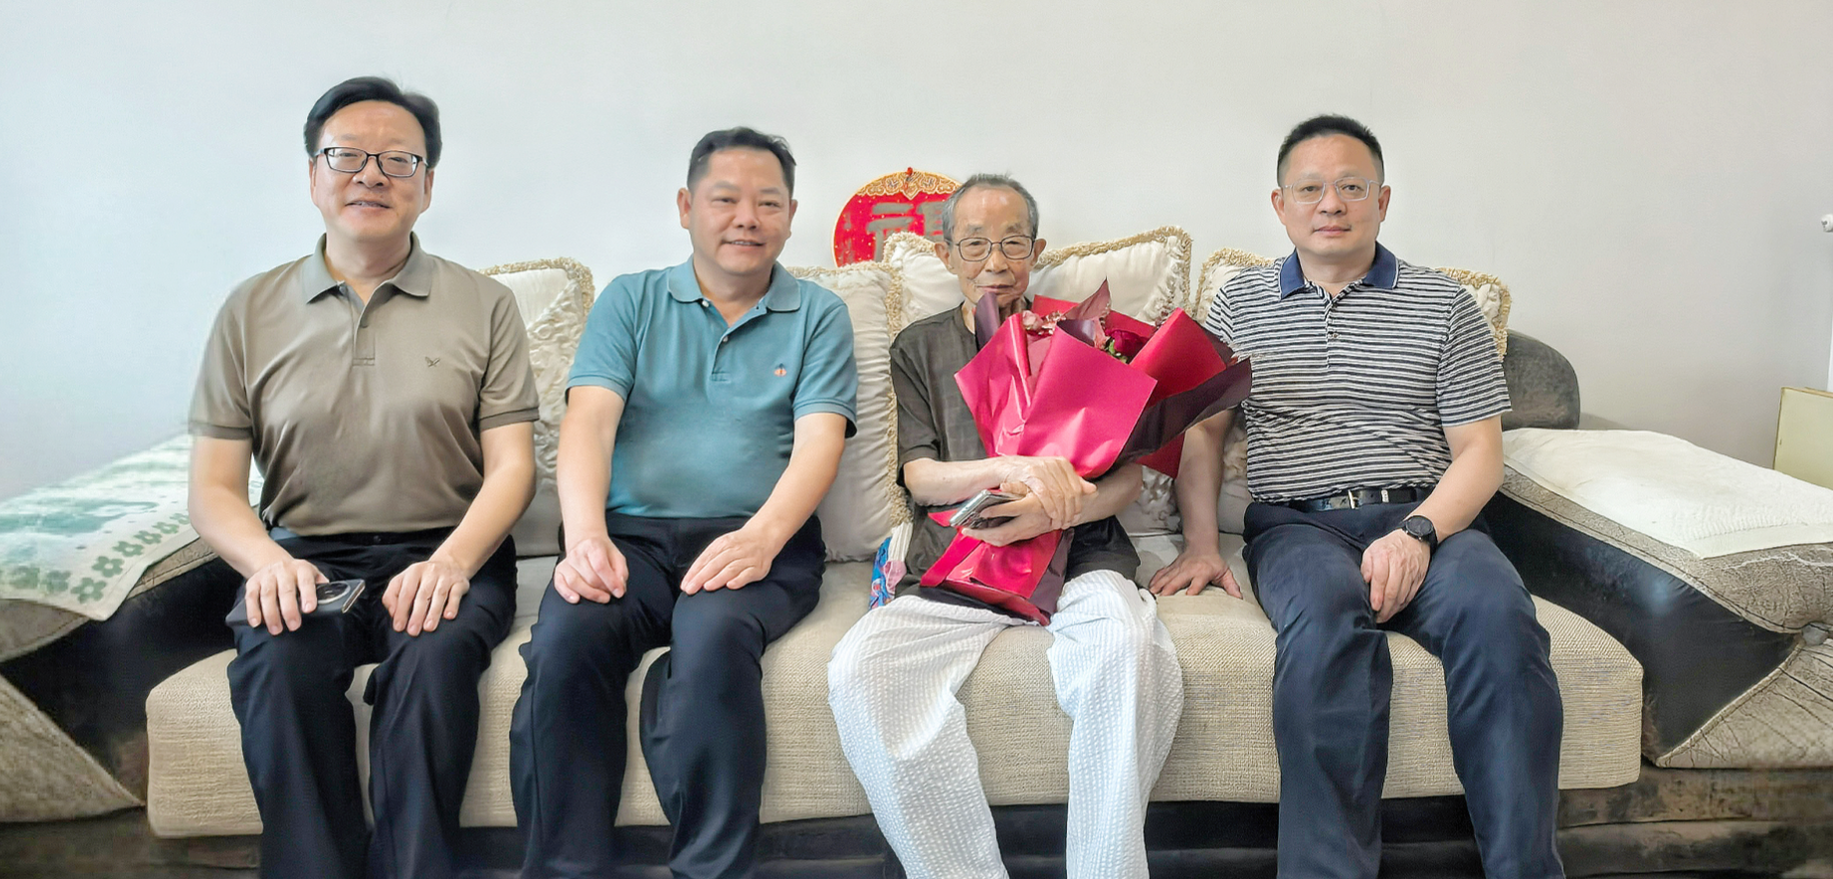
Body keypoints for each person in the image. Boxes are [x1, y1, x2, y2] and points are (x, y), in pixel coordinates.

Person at [1153, 115, 1564, 879]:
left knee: (1501, 621)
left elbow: (1480, 452)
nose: (1331, 203)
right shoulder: (1239, 306)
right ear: (1280, 205)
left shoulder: (1445, 305)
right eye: (1311, 188)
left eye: (1350, 186)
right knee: (1323, 635)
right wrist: (1203, 544)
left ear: (1382, 199)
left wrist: (1418, 533)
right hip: (1296, 528)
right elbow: (1202, 438)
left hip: (1427, 518)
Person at [187, 77, 540, 879]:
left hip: (448, 552)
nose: (371, 175)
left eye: (398, 160)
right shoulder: (249, 310)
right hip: (305, 558)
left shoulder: (484, 304)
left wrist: (451, 563)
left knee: (434, 662)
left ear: (428, 184)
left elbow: (512, 466)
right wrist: (267, 564)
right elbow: (212, 488)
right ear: (313, 175)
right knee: (278, 665)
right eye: (347, 156)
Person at [509, 128, 858, 879]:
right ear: (685, 207)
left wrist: (762, 537)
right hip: (628, 539)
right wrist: (584, 537)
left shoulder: (819, 313)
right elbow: (589, 423)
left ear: (791, 215)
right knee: (566, 642)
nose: (747, 218)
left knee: (711, 643)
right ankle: (565, 869)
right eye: (725, 199)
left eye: (768, 203)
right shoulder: (631, 300)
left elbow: (819, 442)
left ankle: (710, 869)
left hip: (757, 541)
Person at [827, 174, 1185, 879]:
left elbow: (1125, 480)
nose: (995, 261)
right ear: (946, 254)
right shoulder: (919, 347)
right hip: (960, 564)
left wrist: (1060, 508)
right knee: (860, 669)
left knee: (1126, 649)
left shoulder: (1087, 338)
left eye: (1013, 243)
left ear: (1037, 250)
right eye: (975, 244)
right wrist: (1009, 468)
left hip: (1080, 559)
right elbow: (920, 476)